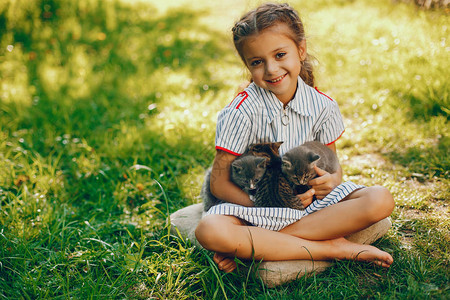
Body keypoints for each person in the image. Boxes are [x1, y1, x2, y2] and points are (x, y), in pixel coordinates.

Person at [195, 3, 395, 273]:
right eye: (257, 62)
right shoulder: (240, 112)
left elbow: (332, 168)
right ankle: (331, 247)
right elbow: (219, 184)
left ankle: (263, 246)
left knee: (380, 199)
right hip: (255, 209)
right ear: (247, 65)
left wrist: (331, 181)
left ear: (300, 50)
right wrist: (268, 204)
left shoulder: (323, 106)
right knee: (210, 231)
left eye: (280, 55)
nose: (271, 69)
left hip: (309, 206)